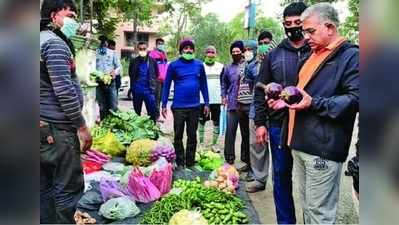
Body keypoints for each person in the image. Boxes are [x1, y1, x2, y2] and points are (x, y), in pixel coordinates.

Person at [267, 3, 359, 224]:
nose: (304, 36)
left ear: (329, 27)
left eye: (310, 31)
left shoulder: (351, 56)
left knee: (319, 213)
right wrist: (285, 103)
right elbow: (303, 95)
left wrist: (313, 103)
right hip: (300, 144)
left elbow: (355, 99)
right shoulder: (313, 55)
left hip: (322, 149)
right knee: (308, 207)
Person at [254, 2, 309, 224]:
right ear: (283, 25)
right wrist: (260, 123)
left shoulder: (317, 51)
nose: (293, 27)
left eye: (299, 23)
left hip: (310, 125)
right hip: (279, 126)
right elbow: (260, 89)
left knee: (310, 184)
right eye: (288, 24)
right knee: (282, 178)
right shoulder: (273, 55)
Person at [40, 0, 92, 223]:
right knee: (67, 189)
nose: (74, 20)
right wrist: (81, 126)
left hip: (41, 127)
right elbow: (64, 92)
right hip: (57, 129)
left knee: (44, 187)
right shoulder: (54, 45)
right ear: (53, 16)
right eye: (69, 15)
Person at [161, 38, 210, 169]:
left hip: (194, 107)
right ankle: (180, 161)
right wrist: (164, 104)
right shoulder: (173, 65)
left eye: (190, 48)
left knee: (192, 136)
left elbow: (203, 84)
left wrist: (206, 103)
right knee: (178, 136)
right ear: (181, 50)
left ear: (193, 50)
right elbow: (166, 85)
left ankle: (190, 162)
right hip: (178, 107)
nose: (188, 50)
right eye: (185, 48)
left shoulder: (199, 65)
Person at [244, 37, 273, 193]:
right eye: (260, 43)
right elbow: (251, 87)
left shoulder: (277, 60)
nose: (263, 46)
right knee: (257, 146)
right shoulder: (252, 66)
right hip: (257, 110)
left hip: (277, 111)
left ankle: (279, 182)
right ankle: (260, 180)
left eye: (266, 42)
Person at [221, 40, 251, 171]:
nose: (235, 54)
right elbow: (224, 84)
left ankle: (245, 159)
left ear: (242, 52)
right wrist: (223, 97)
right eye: (233, 52)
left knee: (246, 133)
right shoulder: (227, 68)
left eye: (237, 51)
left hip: (246, 105)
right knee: (230, 131)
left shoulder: (248, 65)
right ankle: (229, 157)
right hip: (232, 105)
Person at [198, 45, 224, 150]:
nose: (210, 54)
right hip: (202, 100)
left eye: (212, 52)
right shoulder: (200, 66)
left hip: (217, 100)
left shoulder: (221, 66)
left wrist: (223, 96)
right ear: (205, 54)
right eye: (208, 52)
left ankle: (214, 144)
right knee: (201, 122)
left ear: (216, 54)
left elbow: (224, 83)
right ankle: (201, 144)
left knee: (216, 122)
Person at [129, 41, 159, 121]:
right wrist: (133, 88)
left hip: (149, 91)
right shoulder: (134, 61)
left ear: (147, 49)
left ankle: (152, 130)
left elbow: (156, 74)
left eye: (144, 49)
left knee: (152, 114)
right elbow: (131, 74)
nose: (142, 50)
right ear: (137, 49)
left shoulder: (153, 61)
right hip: (137, 91)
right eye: (140, 49)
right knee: (136, 115)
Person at [95, 35, 121, 120]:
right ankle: (104, 125)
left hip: (110, 83)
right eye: (100, 42)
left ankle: (113, 126)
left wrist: (115, 72)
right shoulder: (94, 53)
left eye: (104, 42)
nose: (102, 44)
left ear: (106, 43)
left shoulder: (112, 53)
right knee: (102, 107)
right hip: (99, 83)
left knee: (113, 106)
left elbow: (119, 67)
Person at [149, 38, 168, 121]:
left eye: (162, 43)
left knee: (161, 98)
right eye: (159, 43)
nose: (161, 45)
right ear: (156, 44)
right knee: (156, 98)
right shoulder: (152, 54)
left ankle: (157, 115)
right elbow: (150, 67)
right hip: (156, 80)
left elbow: (165, 66)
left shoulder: (164, 54)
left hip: (164, 80)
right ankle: (155, 116)